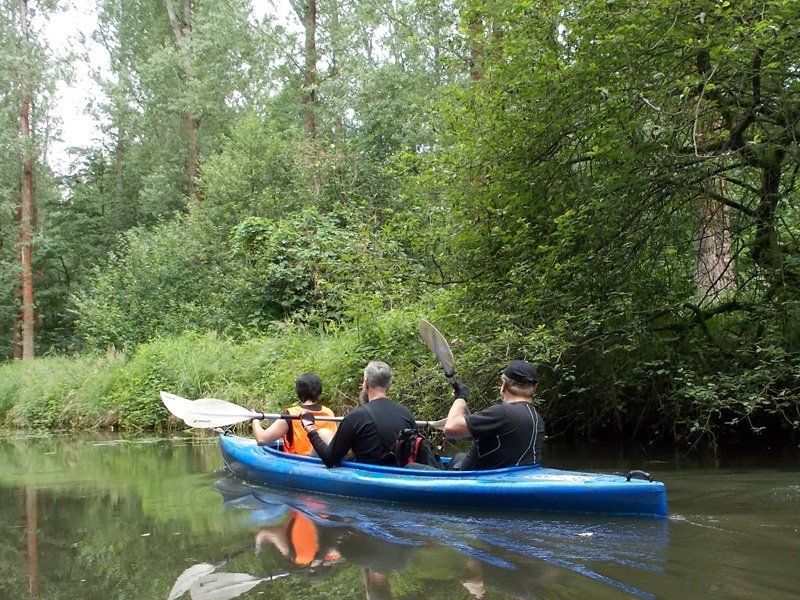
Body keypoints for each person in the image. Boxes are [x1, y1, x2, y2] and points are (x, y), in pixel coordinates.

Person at [302, 361, 416, 468]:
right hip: (399, 471)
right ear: (389, 386)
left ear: (366, 383)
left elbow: (329, 459)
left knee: (322, 434)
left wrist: (310, 428)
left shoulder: (355, 417)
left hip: (365, 472)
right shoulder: (406, 413)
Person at [443, 359, 545, 470]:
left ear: (504, 384)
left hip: (472, 476)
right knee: (459, 457)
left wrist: (461, 398)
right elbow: (470, 432)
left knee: (427, 463)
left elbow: (450, 428)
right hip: (513, 472)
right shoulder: (536, 418)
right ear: (534, 390)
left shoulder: (503, 412)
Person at [252, 373, 337, 455]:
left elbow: (262, 440)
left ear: (298, 392)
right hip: (324, 459)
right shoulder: (329, 412)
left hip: (299, 461)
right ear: (319, 392)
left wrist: (255, 418)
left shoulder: (291, 414)